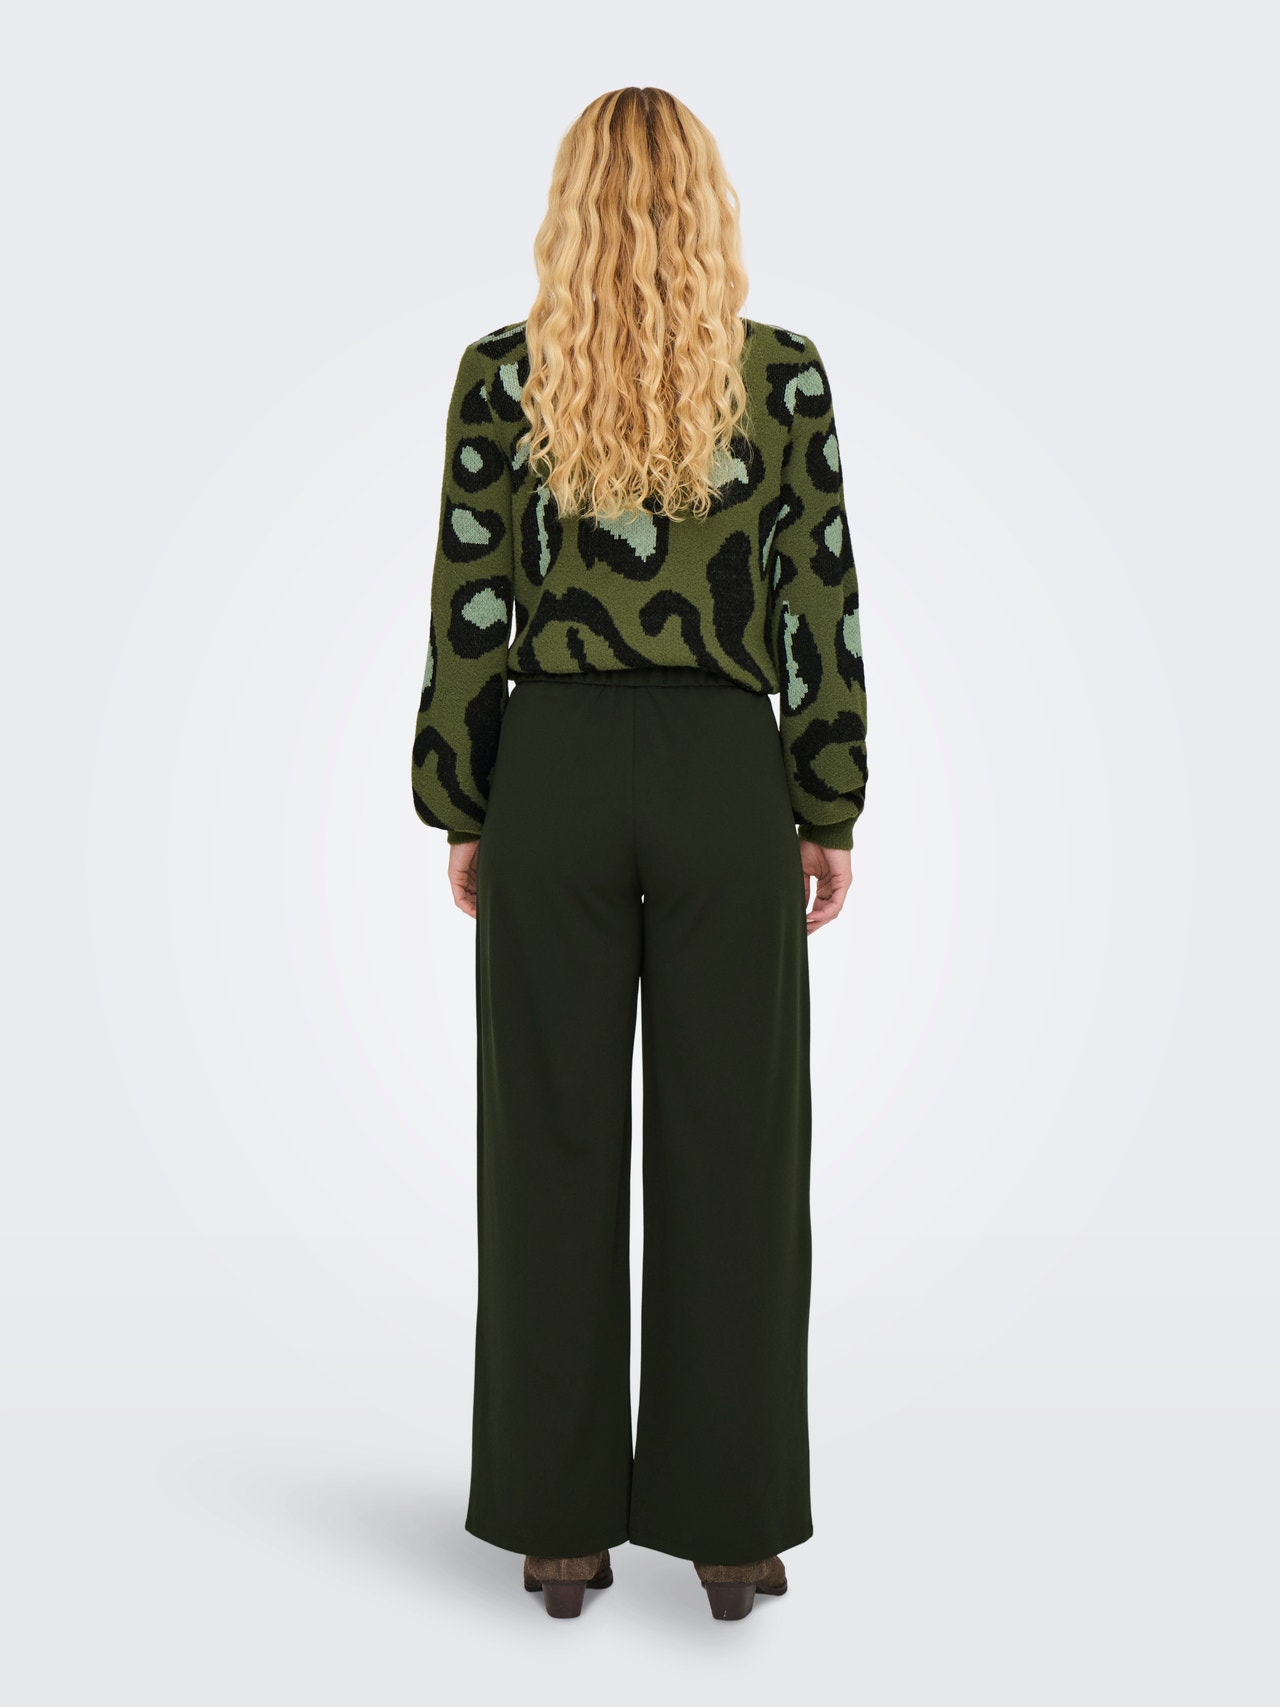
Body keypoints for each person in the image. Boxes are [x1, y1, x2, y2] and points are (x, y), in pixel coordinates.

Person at [410, 86, 868, 1623]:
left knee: (545, 1139)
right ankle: (731, 1532)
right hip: (726, 774)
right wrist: (827, 800)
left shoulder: (505, 376)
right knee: (739, 1147)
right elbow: (818, 602)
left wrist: (466, 799)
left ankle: (556, 1527)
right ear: (708, 206)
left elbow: (471, 596)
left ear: (571, 209)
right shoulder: (779, 375)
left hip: (552, 765)